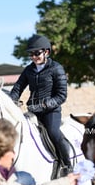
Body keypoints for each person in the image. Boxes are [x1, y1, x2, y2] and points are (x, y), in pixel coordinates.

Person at [9, 34, 72, 175]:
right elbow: (18, 88)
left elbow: (62, 95)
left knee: (54, 133)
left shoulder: (56, 68)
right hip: (33, 110)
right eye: (31, 54)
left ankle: (67, 165)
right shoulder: (28, 70)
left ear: (46, 52)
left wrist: (44, 106)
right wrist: (12, 100)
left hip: (51, 112)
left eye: (37, 53)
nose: (33, 57)